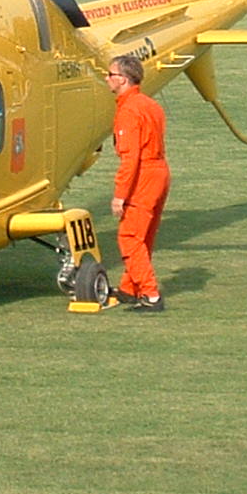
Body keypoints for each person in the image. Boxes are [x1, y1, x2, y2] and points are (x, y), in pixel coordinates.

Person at [106, 55, 170, 313]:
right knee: (145, 235)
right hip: (160, 172)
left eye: (110, 74)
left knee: (130, 237)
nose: (106, 78)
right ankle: (129, 288)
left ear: (122, 79)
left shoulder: (129, 110)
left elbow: (130, 158)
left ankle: (150, 294)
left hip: (143, 175)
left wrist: (120, 195)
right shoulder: (150, 104)